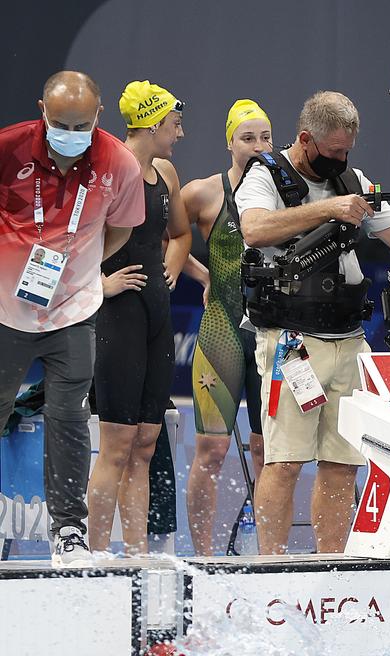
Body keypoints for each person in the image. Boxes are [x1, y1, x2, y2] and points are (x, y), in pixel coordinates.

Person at [236, 91, 390, 555]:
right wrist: (328, 208)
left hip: (349, 342)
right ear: (306, 139)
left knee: (342, 464)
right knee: (285, 462)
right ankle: (271, 565)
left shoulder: (353, 178)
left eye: (347, 150)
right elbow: (254, 229)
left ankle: (331, 564)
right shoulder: (264, 173)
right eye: (333, 151)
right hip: (292, 344)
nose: (341, 159)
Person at [0, 71, 145, 566]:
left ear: (99, 116)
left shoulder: (118, 163)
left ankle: (68, 533)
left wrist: (80, 270)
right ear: (42, 109)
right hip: (5, 313)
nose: (71, 132)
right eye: (61, 123)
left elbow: (121, 230)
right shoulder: (8, 149)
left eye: (82, 124)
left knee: (69, 418)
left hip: (74, 315)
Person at [87, 81, 191, 554]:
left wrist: (171, 264)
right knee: (115, 446)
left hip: (156, 316)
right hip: (117, 317)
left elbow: (181, 233)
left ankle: (137, 554)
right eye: (174, 124)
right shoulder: (109, 170)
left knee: (146, 443)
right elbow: (71, 238)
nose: (181, 133)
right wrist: (98, 285)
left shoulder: (165, 172)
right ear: (151, 124)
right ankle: (91, 558)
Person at [181, 99, 272, 556]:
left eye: (265, 137)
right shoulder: (203, 194)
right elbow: (162, 236)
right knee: (210, 452)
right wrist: (204, 276)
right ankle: (204, 558)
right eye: (247, 138)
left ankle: (268, 555)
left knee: (267, 453)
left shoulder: (287, 194)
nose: (258, 147)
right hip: (221, 332)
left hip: (270, 336)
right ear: (229, 142)